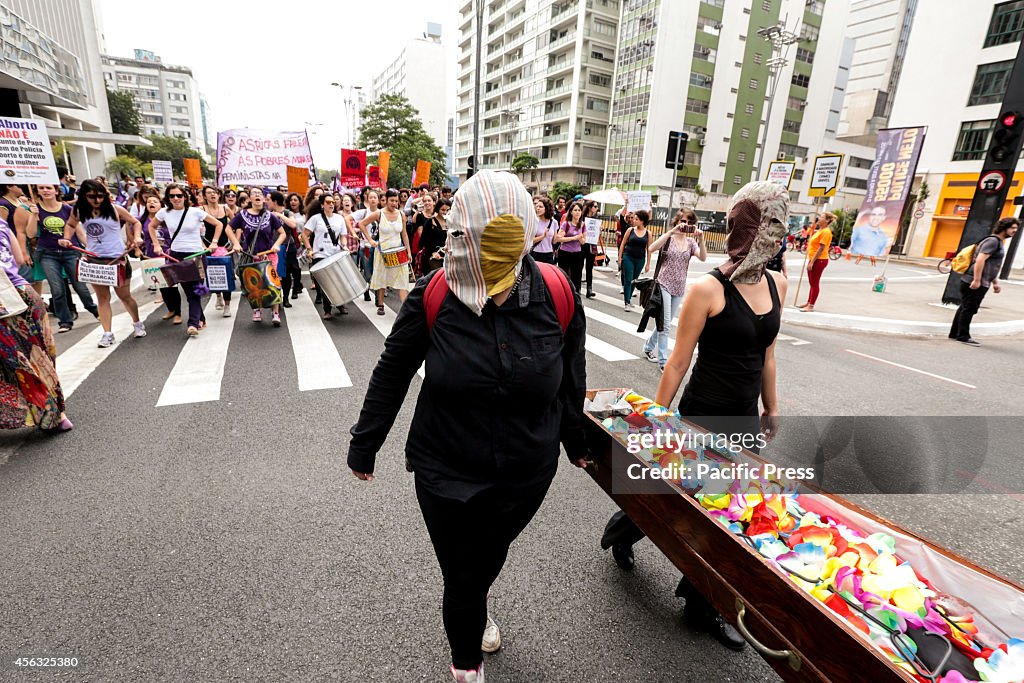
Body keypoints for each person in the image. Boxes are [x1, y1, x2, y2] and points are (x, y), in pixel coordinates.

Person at [347, 171, 588, 683]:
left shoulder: (558, 292)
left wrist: (579, 443)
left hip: (526, 467)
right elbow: (393, 369)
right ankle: (467, 669)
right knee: (461, 573)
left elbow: (570, 376)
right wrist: (364, 444)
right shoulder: (433, 294)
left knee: (487, 557)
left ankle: (477, 598)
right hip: (446, 466)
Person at [601, 180, 789, 652]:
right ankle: (623, 529)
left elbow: (767, 356)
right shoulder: (709, 288)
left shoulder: (777, 282)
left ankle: (701, 603)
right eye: (772, 223)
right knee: (669, 500)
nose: (780, 232)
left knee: (725, 519)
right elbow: (678, 362)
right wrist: (656, 424)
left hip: (744, 422)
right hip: (700, 418)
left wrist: (772, 406)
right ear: (750, 227)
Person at [0, 208, 73, 432]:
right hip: (24, 293)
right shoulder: (2, 224)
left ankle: (40, 412)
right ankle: (57, 414)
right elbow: (19, 259)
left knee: (14, 360)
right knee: (39, 355)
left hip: (5, 301)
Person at [58, 179, 147, 348]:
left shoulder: (114, 209)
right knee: (102, 298)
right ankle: (107, 333)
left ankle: (137, 322)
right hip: (94, 259)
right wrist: (66, 238)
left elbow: (135, 222)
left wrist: (137, 237)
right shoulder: (79, 210)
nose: (97, 200)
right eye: (92, 196)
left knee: (124, 296)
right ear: (84, 196)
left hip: (117, 258)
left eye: (100, 196)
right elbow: (70, 224)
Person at [148, 184, 226, 335]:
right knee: (189, 291)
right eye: (172, 196)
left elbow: (219, 224)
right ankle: (200, 319)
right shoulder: (164, 212)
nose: (176, 199)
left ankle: (193, 324)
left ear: (185, 196)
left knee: (195, 291)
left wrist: (214, 242)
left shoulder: (195, 212)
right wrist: (156, 245)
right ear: (168, 198)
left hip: (196, 255)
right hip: (176, 256)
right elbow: (152, 227)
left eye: (179, 195)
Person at [642, 208, 706, 370]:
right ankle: (664, 362)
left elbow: (703, 257)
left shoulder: (691, 243)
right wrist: (672, 231)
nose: (686, 224)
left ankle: (648, 347)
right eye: (683, 221)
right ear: (676, 221)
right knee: (666, 325)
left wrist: (702, 239)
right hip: (664, 283)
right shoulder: (669, 238)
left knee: (666, 322)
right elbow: (651, 248)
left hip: (679, 286)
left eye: (690, 222)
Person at [32, 183, 99, 333]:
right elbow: (30, 234)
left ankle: (95, 310)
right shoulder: (35, 209)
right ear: (37, 191)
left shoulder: (67, 209)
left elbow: (80, 232)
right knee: (57, 289)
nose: (45, 191)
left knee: (80, 286)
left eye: (48, 188)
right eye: (41, 188)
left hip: (70, 251)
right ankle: (65, 321)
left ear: (56, 190)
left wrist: (90, 249)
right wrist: (33, 216)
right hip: (47, 253)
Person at [949, 216, 1019, 346]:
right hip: (975, 280)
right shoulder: (993, 241)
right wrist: (976, 280)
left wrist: (995, 282)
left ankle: (955, 333)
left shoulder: (997, 242)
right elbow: (980, 260)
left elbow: (992, 265)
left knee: (965, 306)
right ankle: (963, 335)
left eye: (1016, 228)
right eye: (1012, 228)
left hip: (979, 280)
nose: (1015, 230)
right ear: (1004, 228)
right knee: (969, 308)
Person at [228, 189, 287, 326]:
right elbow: (228, 229)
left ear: (264, 199)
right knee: (253, 284)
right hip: (251, 255)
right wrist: (236, 244)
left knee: (273, 283)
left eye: (260, 194)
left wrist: (276, 245)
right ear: (250, 198)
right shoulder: (242, 215)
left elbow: (282, 233)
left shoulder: (270, 216)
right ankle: (256, 310)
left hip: (269, 255)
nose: (257, 195)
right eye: (254, 193)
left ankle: (275, 312)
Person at [357, 189, 413, 316]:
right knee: (382, 277)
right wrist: (370, 240)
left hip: (399, 250)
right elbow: (362, 224)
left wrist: (409, 252)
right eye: (392, 200)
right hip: (383, 251)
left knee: (403, 278)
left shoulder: (401, 214)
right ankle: (381, 304)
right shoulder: (379, 214)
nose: (394, 203)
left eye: (396, 201)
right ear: (386, 200)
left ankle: (404, 306)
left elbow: (404, 235)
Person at [302, 194, 350, 319]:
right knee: (325, 283)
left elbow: (343, 236)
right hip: (320, 254)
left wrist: (344, 245)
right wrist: (309, 249)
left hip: (336, 254)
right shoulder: (316, 219)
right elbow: (304, 234)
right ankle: (327, 309)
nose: (331, 204)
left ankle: (340, 304)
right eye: (328, 202)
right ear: (322, 204)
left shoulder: (340, 218)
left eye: (333, 202)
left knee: (338, 281)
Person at [200, 186, 234, 315]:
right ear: (204, 196)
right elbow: (194, 229)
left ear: (219, 195)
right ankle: (218, 296)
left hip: (224, 246)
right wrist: (202, 245)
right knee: (213, 274)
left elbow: (237, 225)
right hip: (208, 246)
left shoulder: (225, 209)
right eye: (209, 193)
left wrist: (234, 241)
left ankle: (227, 305)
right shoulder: (201, 210)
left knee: (227, 275)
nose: (212, 195)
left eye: (214, 192)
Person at [797, 212, 835, 312]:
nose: (819, 218)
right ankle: (809, 302)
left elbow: (821, 248)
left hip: (819, 260)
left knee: (815, 283)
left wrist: (812, 262)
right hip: (813, 258)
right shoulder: (820, 230)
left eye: (822, 217)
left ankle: (811, 305)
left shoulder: (826, 232)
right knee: (812, 283)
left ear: (827, 220)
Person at [617, 209, 651, 311]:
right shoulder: (630, 230)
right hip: (628, 257)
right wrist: (620, 258)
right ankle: (627, 302)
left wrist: (648, 264)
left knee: (634, 281)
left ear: (642, 221)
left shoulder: (648, 233)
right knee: (628, 279)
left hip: (640, 259)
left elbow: (649, 249)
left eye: (636, 219)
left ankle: (629, 297)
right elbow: (623, 244)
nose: (634, 221)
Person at [352, 189, 380, 302]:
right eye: (371, 197)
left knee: (379, 273)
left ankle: (379, 297)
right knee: (368, 273)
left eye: (375, 197)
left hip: (378, 248)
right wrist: (354, 233)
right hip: (365, 247)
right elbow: (347, 219)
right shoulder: (363, 212)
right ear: (367, 199)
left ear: (378, 200)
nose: (373, 199)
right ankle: (366, 290)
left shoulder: (382, 212)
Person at [555, 200, 586, 292]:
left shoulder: (583, 225)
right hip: (565, 253)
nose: (577, 212)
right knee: (563, 275)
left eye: (579, 210)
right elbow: (559, 238)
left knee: (576, 276)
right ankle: (562, 293)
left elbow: (583, 242)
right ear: (571, 212)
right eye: (575, 210)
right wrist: (574, 238)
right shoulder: (566, 224)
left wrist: (580, 239)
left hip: (577, 254)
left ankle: (575, 295)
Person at [282, 192, 307, 302]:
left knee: (297, 267)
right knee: (291, 267)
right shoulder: (286, 213)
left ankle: (296, 285)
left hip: (302, 242)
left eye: (295, 200)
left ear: (300, 202)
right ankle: (294, 287)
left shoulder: (304, 214)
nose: (293, 202)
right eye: (291, 200)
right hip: (290, 242)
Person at [417, 196, 449, 276]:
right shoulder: (430, 222)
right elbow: (423, 241)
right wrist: (432, 252)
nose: (445, 212)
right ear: (437, 209)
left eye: (448, 210)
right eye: (443, 210)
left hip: (448, 256)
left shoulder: (451, 222)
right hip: (433, 257)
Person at [582, 200, 601, 298]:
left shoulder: (596, 219)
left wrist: (598, 230)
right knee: (579, 266)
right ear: (589, 207)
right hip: (582, 244)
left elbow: (596, 232)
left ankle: (589, 288)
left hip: (592, 245)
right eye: (595, 206)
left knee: (589, 267)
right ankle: (577, 288)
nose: (596, 208)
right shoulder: (582, 218)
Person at [530, 196, 557, 264]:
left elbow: (554, 241)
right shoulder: (534, 221)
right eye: (537, 206)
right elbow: (531, 241)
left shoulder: (554, 222)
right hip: (535, 253)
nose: (538, 208)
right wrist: (543, 236)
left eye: (540, 207)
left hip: (549, 254)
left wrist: (560, 237)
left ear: (547, 208)